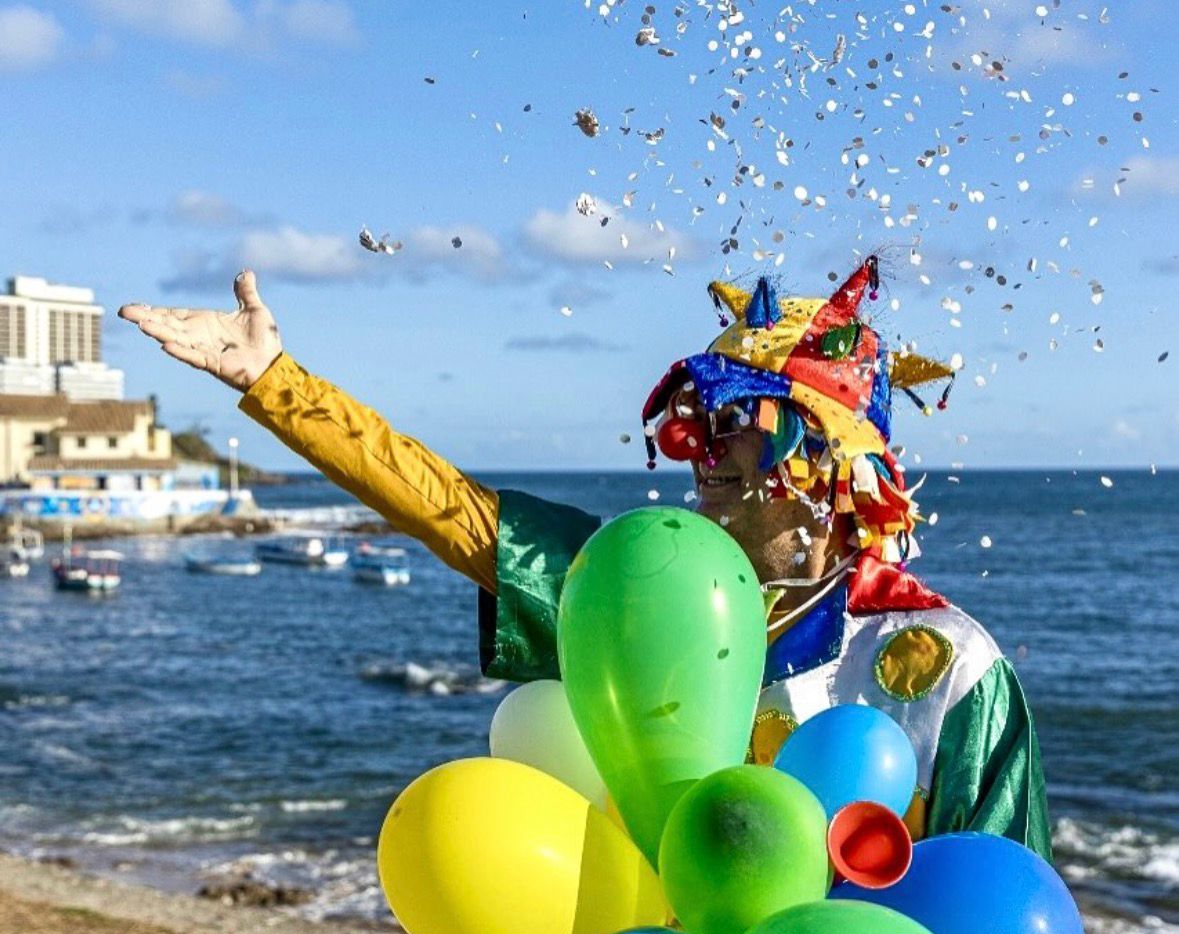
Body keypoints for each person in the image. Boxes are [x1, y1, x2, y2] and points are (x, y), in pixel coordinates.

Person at [119, 259, 1052, 859]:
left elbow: (995, 910)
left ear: (830, 464)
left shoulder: (944, 667)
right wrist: (276, 386)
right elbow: (460, 516)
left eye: (741, 429)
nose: (703, 456)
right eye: (696, 429)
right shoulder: (651, 598)